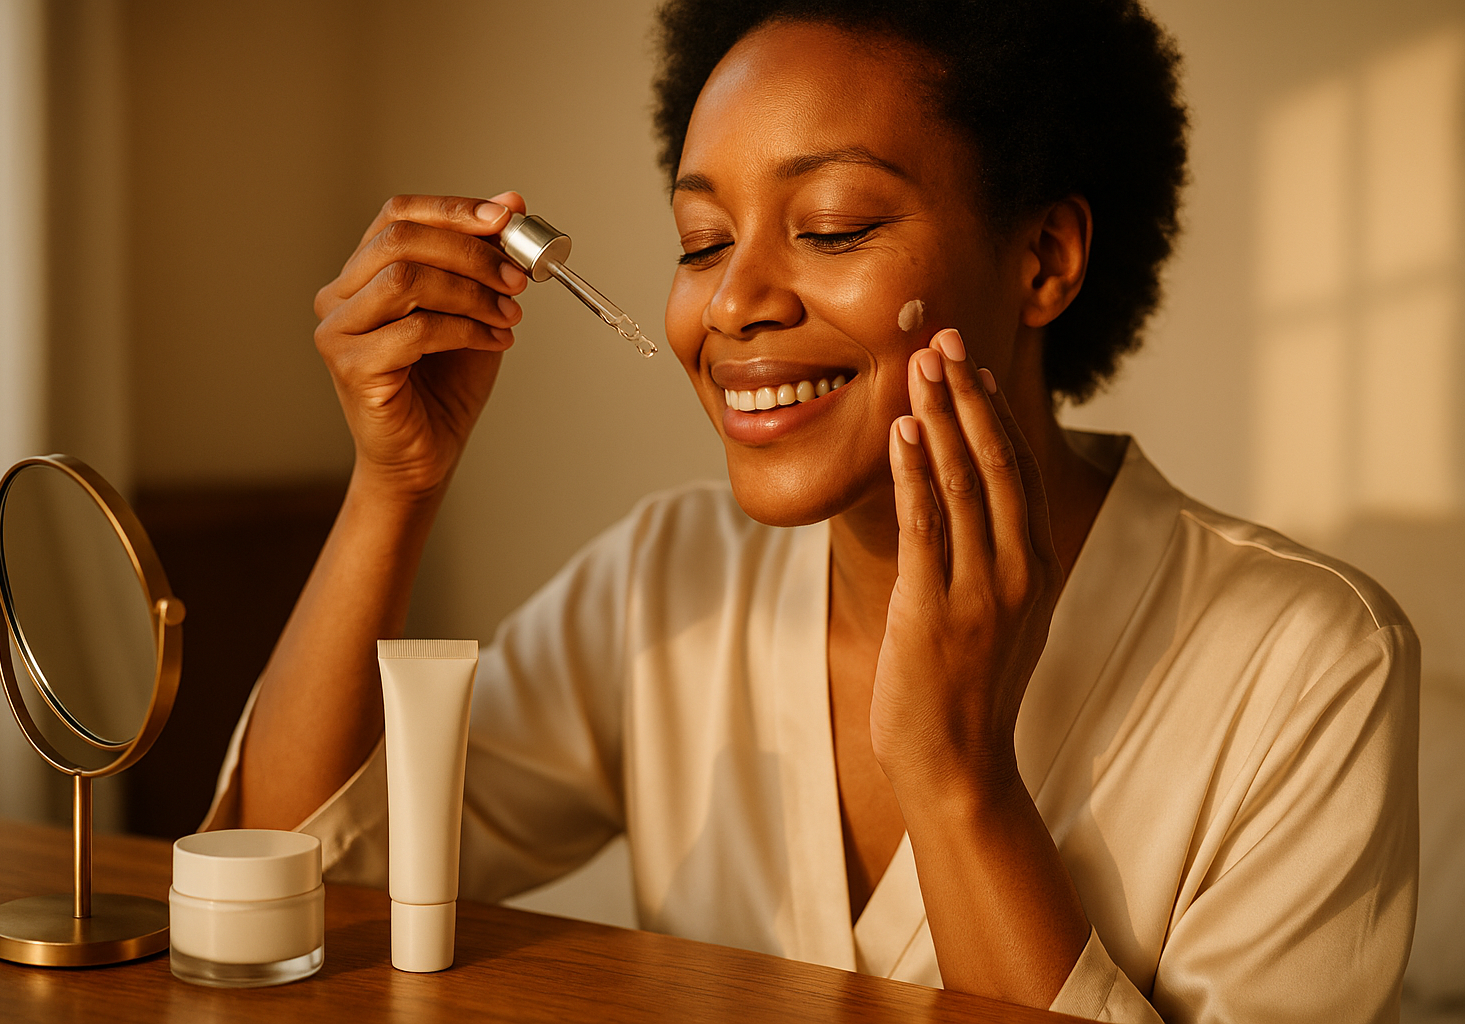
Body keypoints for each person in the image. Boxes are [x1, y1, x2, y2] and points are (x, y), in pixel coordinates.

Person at [205, 1, 1420, 1020]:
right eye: (700, 240)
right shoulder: (662, 584)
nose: (732, 303)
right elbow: (301, 894)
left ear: (1043, 257)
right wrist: (393, 482)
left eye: (832, 226)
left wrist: (955, 776)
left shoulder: (1306, 669)